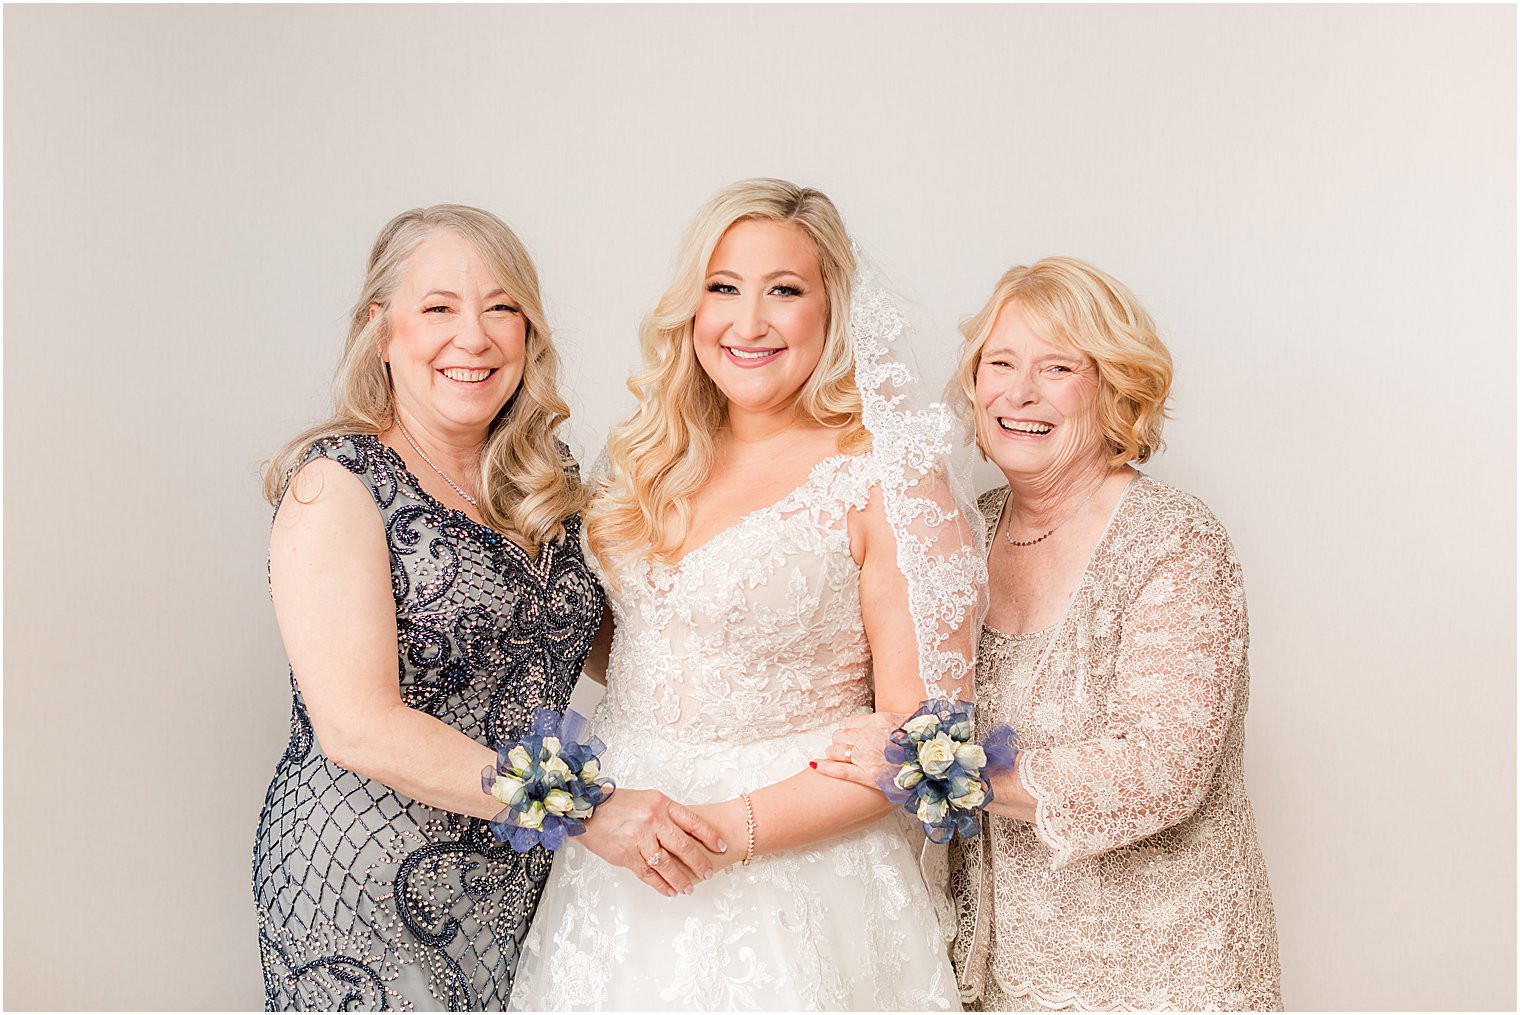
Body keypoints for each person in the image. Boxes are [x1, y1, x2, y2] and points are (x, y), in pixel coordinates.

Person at [507, 179, 983, 1011]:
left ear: (832, 309)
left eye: (784, 292)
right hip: (616, 859)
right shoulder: (650, 459)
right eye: (723, 288)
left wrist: (725, 831)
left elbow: (920, 749)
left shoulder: (888, 479)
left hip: (791, 882)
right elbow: (641, 647)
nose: (749, 322)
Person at [252, 205, 720, 1011]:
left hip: (518, 880)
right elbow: (358, 725)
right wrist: (586, 811)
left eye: (501, 307)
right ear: (382, 329)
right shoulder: (337, 485)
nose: (474, 336)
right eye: (438, 308)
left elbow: (624, 648)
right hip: (367, 877)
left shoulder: (542, 483)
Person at [818, 257, 1282, 1010]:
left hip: (1168, 971)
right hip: (1000, 973)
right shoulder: (967, 526)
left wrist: (929, 768)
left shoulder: (1174, 540)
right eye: (999, 363)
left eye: (1057, 366)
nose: (1019, 392)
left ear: (1114, 386)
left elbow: (1162, 769)